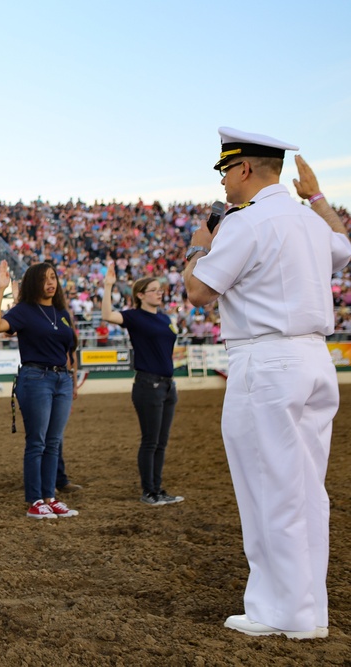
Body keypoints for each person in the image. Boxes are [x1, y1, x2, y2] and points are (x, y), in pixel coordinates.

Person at [183, 130, 351, 639]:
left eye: (225, 172)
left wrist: (198, 244)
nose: (225, 183)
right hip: (313, 359)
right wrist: (317, 198)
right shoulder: (307, 220)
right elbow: (343, 248)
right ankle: (306, 610)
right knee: (303, 489)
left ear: (245, 170)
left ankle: (279, 611)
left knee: (266, 487)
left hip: (266, 360)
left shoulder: (245, 221)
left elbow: (197, 292)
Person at [0, 261, 79, 519]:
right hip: (36, 378)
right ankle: (35, 500)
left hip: (62, 380)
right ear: (33, 283)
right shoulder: (24, 311)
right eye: (44, 279)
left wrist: (71, 378)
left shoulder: (61, 312)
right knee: (37, 441)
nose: (51, 283)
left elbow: (69, 348)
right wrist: (0, 289)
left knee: (53, 442)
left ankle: (49, 496)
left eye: (53, 277)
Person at [101, 260, 183, 506]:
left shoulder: (165, 318)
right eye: (154, 290)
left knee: (161, 441)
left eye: (160, 290)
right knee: (150, 441)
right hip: (148, 385)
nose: (160, 293)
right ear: (140, 295)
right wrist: (108, 286)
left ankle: (157, 489)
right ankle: (149, 491)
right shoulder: (134, 317)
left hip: (168, 386)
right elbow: (106, 315)